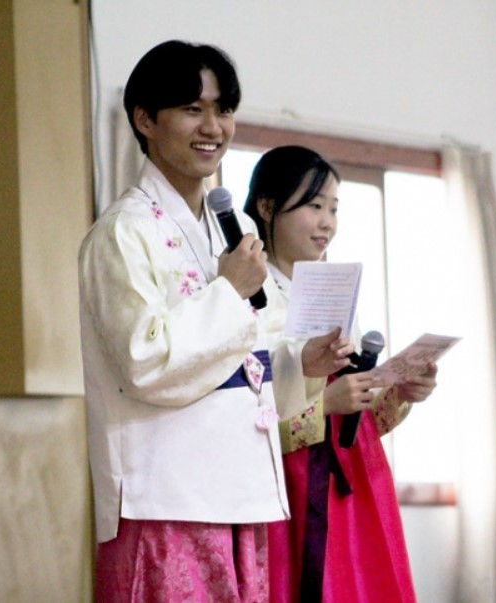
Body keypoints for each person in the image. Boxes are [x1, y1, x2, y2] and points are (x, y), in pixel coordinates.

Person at [78, 43, 353, 603]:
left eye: (223, 109)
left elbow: (247, 361)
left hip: (240, 495)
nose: (213, 127)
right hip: (164, 501)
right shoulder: (123, 233)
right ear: (145, 119)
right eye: (192, 109)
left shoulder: (230, 233)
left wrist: (300, 363)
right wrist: (228, 291)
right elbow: (144, 363)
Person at [243, 145, 439, 603]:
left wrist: (399, 392)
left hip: (354, 478)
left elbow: (360, 421)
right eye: (314, 206)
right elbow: (242, 411)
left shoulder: (332, 287)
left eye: (334, 208)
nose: (327, 222)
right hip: (287, 484)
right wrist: (324, 405)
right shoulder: (246, 293)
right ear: (267, 207)